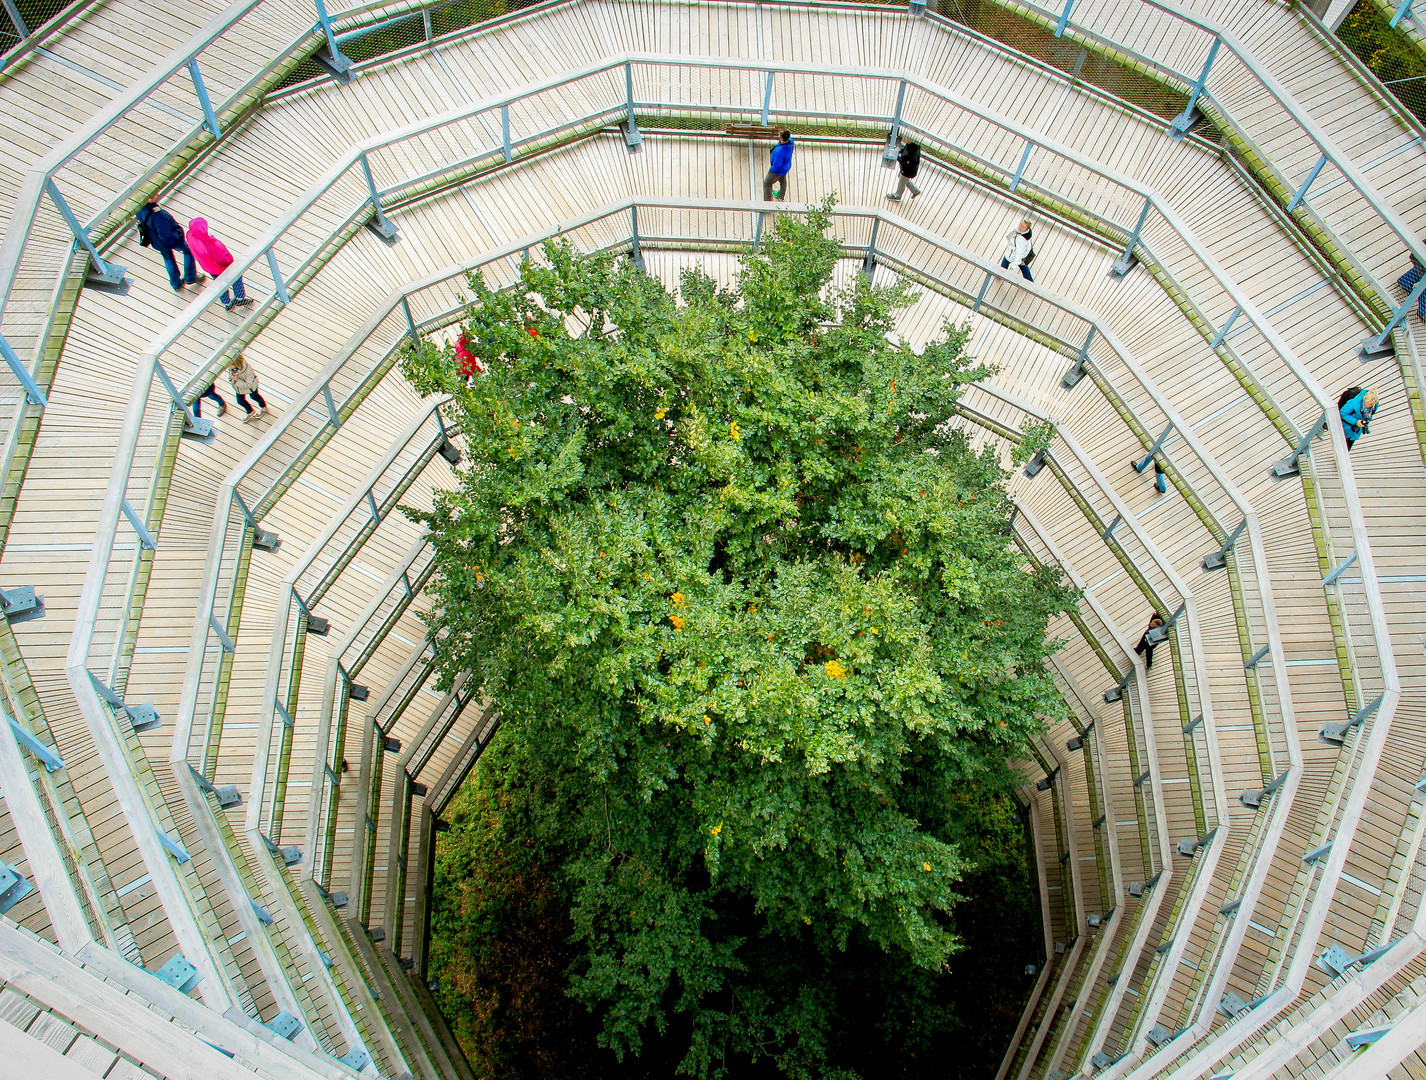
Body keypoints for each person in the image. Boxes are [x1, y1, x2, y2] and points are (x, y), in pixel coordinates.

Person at [136, 196, 205, 292]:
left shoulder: (140, 210)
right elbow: (167, 236)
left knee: (168, 258)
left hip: (157, 241)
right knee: (188, 251)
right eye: (155, 195)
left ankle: (176, 284)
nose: (157, 195)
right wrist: (179, 235)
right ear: (150, 199)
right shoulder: (158, 216)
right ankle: (190, 277)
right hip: (171, 240)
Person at [186, 217, 252, 311]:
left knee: (220, 285)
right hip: (223, 268)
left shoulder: (190, 236)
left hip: (209, 267)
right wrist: (229, 260)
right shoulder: (208, 243)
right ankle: (240, 298)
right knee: (236, 279)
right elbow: (222, 259)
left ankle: (227, 303)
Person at [227, 353, 267, 422]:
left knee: (255, 397)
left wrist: (237, 380)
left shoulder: (247, 371)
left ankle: (263, 406)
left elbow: (249, 385)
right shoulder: (232, 369)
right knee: (240, 401)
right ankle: (250, 411)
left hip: (251, 387)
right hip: (239, 388)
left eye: (230, 365)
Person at [1338, 386, 1378, 451]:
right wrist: (1356, 422)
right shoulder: (1353, 403)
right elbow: (1342, 413)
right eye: (1366, 404)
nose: (1367, 407)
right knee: (1340, 442)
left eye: (1370, 405)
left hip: (1355, 431)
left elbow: (1370, 415)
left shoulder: (1375, 406)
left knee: (1347, 447)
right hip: (1346, 426)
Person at [886, 137, 922, 201]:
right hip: (907, 170)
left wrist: (897, 157)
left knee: (901, 183)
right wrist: (900, 151)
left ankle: (897, 196)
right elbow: (906, 148)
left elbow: (905, 163)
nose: (903, 139)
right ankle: (916, 191)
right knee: (901, 178)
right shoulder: (913, 145)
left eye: (905, 137)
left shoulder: (912, 154)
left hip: (907, 171)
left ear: (910, 139)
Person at [762, 129, 794, 202]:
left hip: (777, 171)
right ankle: (781, 195)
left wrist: (772, 171)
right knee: (783, 179)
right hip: (786, 166)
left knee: (767, 183)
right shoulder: (791, 142)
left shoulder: (779, 151)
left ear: (781, 138)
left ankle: (767, 203)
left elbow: (777, 165)